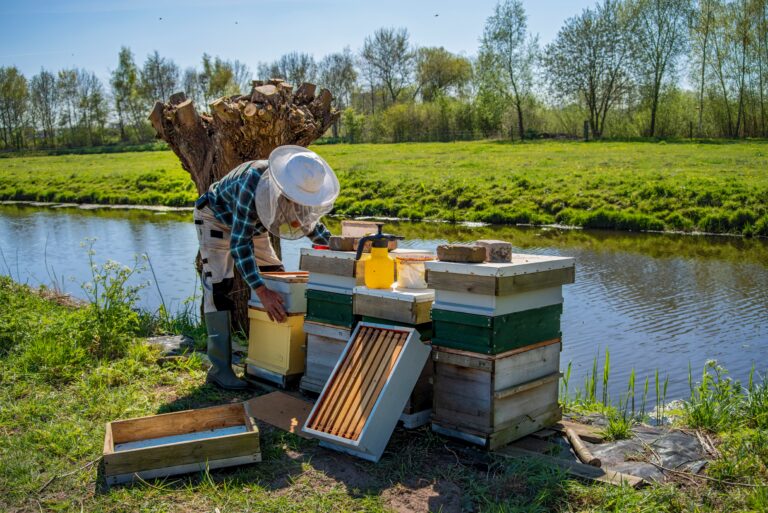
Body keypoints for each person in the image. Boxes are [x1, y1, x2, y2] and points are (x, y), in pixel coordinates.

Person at [194, 145, 339, 389]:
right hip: (216, 218)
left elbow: (311, 226)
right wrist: (262, 292)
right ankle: (219, 369)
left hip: (253, 224)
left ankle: (273, 361)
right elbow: (240, 244)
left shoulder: (298, 188)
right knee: (219, 287)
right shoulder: (253, 182)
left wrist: (339, 249)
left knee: (278, 279)